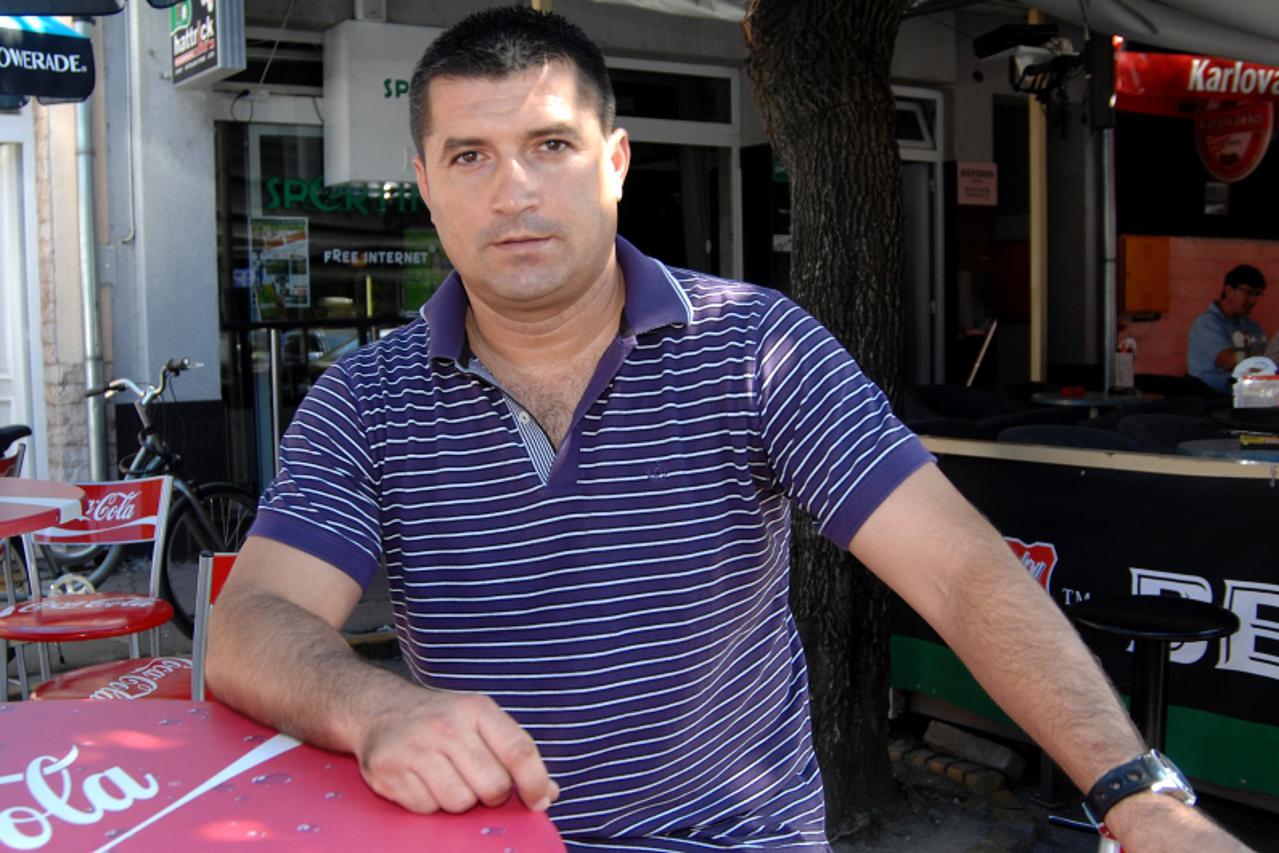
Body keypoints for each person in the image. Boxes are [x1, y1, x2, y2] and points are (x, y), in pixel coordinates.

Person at [207, 8, 1249, 851]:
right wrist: (374, 708)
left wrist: (1134, 789)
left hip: (733, 836)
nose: (513, 189)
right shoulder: (367, 395)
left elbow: (960, 570)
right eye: (469, 155)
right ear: (426, 184)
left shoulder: (751, 347)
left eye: (550, 145)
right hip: (487, 839)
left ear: (614, 162)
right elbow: (250, 625)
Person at [1187, 264, 1267, 393]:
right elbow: (1229, 361)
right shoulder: (1206, 323)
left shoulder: (1252, 326)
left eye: (1257, 294)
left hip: (1245, 394)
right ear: (1228, 290)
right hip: (1208, 398)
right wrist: (1264, 361)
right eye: (1248, 293)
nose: (1253, 300)